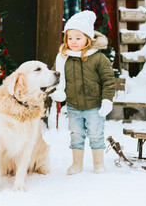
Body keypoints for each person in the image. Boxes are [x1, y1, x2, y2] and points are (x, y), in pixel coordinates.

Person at [50, 10, 115, 175]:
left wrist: (107, 100)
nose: (73, 42)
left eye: (78, 38)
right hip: (74, 105)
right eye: (70, 38)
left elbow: (108, 81)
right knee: (76, 134)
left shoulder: (98, 58)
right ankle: (76, 164)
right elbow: (56, 77)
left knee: (95, 133)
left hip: (94, 105)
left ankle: (98, 163)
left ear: (88, 38)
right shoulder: (64, 57)